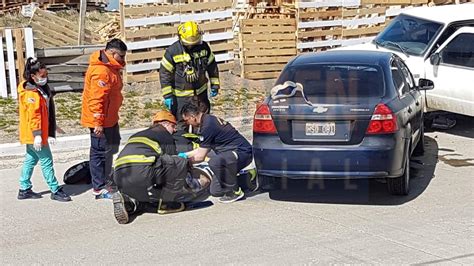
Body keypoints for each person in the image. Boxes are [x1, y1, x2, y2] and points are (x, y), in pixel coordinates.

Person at [112, 110, 211, 224]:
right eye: (173, 126)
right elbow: (172, 165)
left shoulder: (137, 135)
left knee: (144, 198)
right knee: (179, 162)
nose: (175, 130)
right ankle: (167, 204)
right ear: (165, 124)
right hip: (141, 170)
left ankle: (129, 201)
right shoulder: (164, 134)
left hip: (119, 174)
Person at [17, 57, 71, 202]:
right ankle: (55, 189)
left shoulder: (39, 88)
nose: (45, 78)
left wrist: (53, 127)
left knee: (30, 159)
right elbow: (34, 116)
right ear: (32, 76)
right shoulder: (31, 94)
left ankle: (24, 188)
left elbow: (45, 112)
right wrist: (37, 135)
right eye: (42, 76)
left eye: (46, 75)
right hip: (34, 134)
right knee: (47, 160)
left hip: (36, 133)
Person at [81, 38, 127, 199]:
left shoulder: (110, 68)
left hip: (110, 118)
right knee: (99, 152)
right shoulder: (101, 72)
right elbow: (96, 100)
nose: (124, 60)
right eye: (121, 56)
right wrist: (97, 123)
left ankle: (104, 178)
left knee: (108, 150)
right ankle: (99, 188)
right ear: (113, 53)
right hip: (101, 121)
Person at [179, 103, 253, 203]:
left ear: (192, 117)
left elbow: (200, 157)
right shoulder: (207, 120)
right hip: (228, 156)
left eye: (187, 120)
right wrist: (185, 155)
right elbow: (203, 148)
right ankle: (248, 178)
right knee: (216, 191)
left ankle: (235, 192)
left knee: (215, 162)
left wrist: (183, 163)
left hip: (242, 152)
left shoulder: (208, 126)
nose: (187, 123)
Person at [159, 21, 220, 129]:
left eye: (194, 44)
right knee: (182, 124)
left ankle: (202, 144)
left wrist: (215, 85)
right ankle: (184, 145)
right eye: (189, 44)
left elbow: (212, 67)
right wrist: (168, 95)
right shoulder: (173, 51)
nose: (191, 46)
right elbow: (165, 73)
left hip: (201, 95)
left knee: (203, 122)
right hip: (181, 97)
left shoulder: (204, 48)